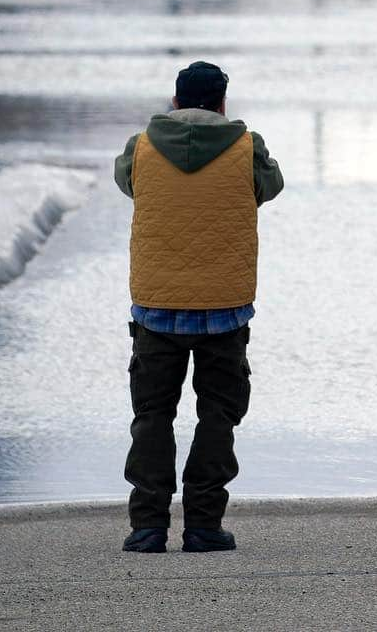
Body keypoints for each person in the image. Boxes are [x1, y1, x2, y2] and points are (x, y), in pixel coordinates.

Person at [114, 61, 283, 554]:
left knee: (151, 415)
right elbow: (268, 188)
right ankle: (204, 526)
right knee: (217, 415)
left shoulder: (142, 146)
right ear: (223, 102)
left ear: (175, 101)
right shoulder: (248, 146)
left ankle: (147, 528)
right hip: (224, 308)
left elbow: (129, 184)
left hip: (156, 308)